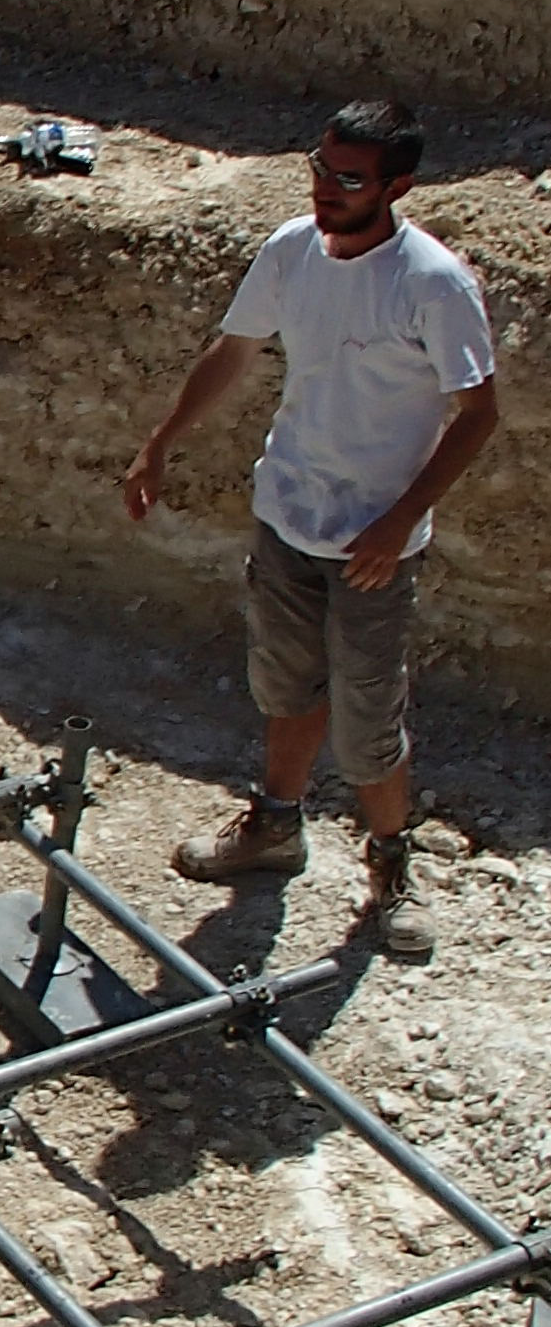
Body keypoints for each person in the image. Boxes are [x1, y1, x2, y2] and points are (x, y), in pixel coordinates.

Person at [123, 101, 499, 961]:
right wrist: (159, 443)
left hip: (374, 543)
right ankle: (275, 829)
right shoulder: (293, 248)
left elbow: (476, 413)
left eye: (349, 178)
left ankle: (390, 869)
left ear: (397, 186)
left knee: (367, 715)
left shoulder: (432, 283)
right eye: (320, 168)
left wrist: (398, 519)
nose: (325, 188)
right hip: (288, 513)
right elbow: (234, 349)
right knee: (287, 686)